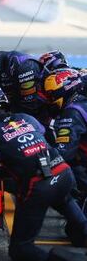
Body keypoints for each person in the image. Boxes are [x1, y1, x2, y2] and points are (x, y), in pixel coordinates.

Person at [0, 84, 87, 261]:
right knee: (72, 212)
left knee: (20, 249)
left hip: (39, 186)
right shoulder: (27, 118)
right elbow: (49, 141)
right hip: (63, 173)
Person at [38, 68, 87, 199]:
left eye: (51, 95)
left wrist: (40, 159)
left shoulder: (72, 113)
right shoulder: (82, 102)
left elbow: (64, 152)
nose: (49, 101)